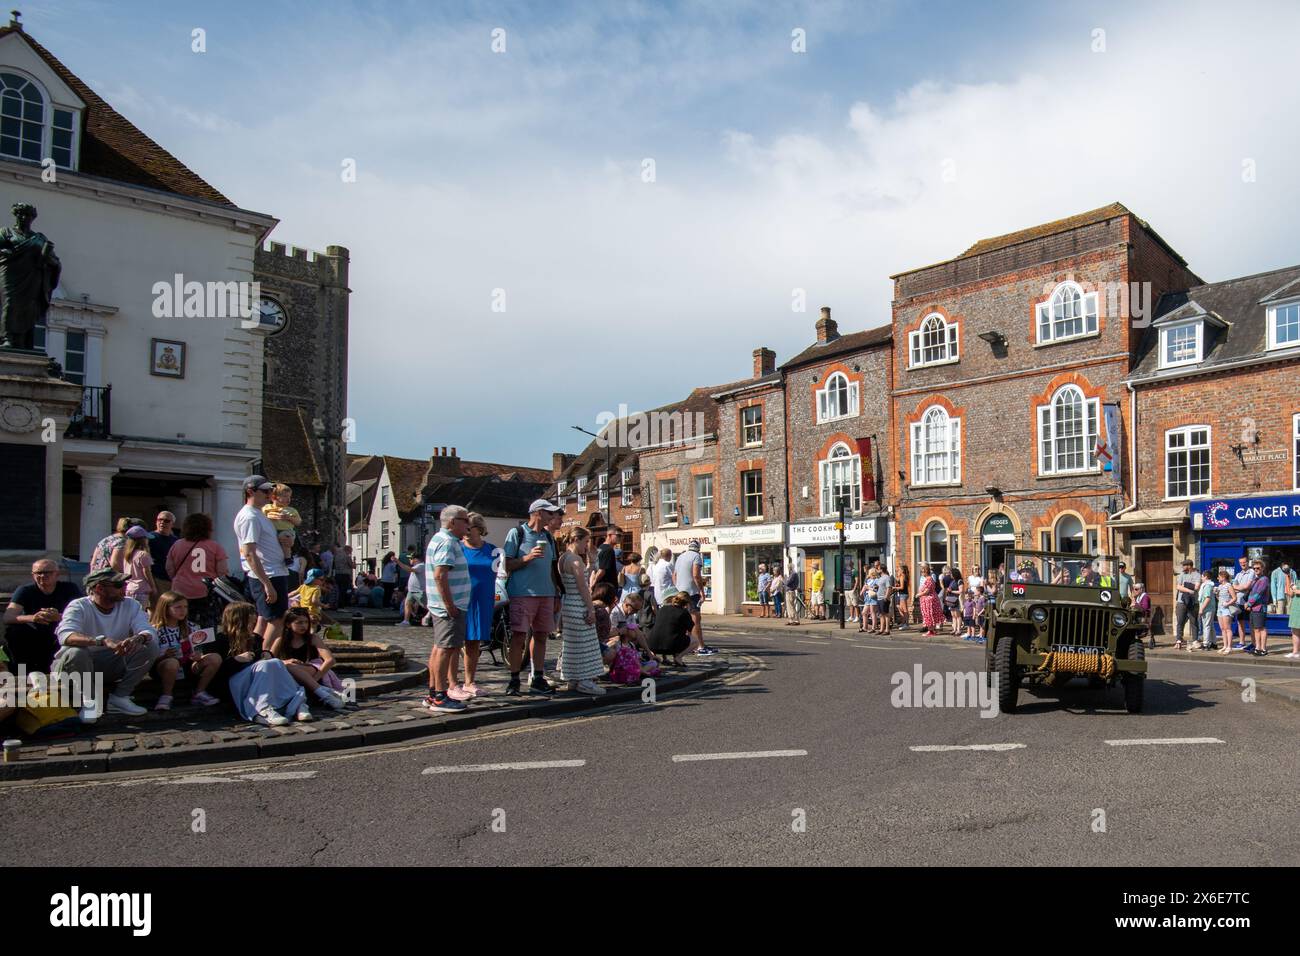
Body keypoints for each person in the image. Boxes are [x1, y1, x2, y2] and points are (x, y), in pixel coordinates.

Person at [52, 569, 160, 716]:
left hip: (109, 663)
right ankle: (89, 702)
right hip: (74, 669)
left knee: (150, 646)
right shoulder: (78, 606)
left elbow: (148, 630)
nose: (124, 588)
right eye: (118, 585)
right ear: (99, 588)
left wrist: (139, 638)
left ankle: (120, 698)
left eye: (125, 584)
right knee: (76, 652)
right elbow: (66, 636)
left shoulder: (131, 605)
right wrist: (102, 640)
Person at [501, 499, 563, 697]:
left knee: (541, 636)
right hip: (522, 592)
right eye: (549, 513)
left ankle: (537, 677)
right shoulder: (517, 533)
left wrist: (556, 594)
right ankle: (514, 679)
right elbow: (507, 565)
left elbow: (553, 569)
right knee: (519, 636)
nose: (553, 516)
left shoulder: (548, 537)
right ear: (537, 513)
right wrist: (528, 558)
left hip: (545, 593)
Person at [213, 602, 309, 725]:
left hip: (256, 679)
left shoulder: (255, 639)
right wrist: (235, 660)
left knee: (275, 662)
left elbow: (259, 657)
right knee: (267, 665)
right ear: (238, 622)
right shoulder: (221, 639)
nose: (252, 627)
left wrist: (266, 654)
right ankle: (261, 709)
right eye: (249, 623)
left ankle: (297, 703)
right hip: (236, 682)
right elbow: (219, 673)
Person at [233, 475, 290, 662]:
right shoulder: (249, 517)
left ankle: (257, 653)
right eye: (265, 491)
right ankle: (263, 656)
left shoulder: (259, 514)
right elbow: (249, 552)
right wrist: (267, 584)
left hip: (274, 571)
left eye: (270, 491)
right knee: (277, 619)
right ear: (250, 492)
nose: (270, 494)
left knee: (264, 618)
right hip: (268, 574)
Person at [424, 505, 473, 713]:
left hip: (444, 605)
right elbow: (440, 575)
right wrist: (450, 605)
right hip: (449, 607)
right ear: (452, 522)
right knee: (445, 649)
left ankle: (433, 692)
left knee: (439, 647)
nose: (468, 525)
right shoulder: (446, 542)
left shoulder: (442, 539)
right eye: (465, 520)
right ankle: (440, 697)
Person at [3, 558, 80, 675]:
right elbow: (8, 617)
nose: (43, 576)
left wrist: (59, 617)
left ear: (57, 574)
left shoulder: (70, 589)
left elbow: (83, 614)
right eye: (38, 573)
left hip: (61, 630)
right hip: (35, 631)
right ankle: (21, 675)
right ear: (33, 575)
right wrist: (33, 618)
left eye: (48, 572)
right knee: (14, 633)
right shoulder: (25, 591)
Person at [148, 591, 222, 710]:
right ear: (166, 608)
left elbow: (199, 649)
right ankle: (166, 695)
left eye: (185, 607)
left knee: (215, 658)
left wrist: (198, 656)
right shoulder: (154, 629)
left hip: (187, 665)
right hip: (164, 667)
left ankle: (199, 692)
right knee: (172, 663)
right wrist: (163, 655)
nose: (183, 610)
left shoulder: (192, 626)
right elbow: (148, 658)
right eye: (178, 607)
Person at [555, 527, 606, 695]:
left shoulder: (563, 558)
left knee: (572, 645)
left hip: (568, 604)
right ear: (577, 540)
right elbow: (583, 587)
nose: (587, 545)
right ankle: (585, 680)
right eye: (585, 542)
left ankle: (573, 679)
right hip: (579, 604)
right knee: (586, 643)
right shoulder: (575, 560)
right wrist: (591, 609)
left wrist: (592, 563)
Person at [271, 607, 348, 705]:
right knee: (288, 667)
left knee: (289, 667)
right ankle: (317, 695)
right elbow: (270, 660)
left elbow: (330, 660)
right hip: (289, 673)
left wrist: (313, 680)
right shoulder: (281, 640)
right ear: (288, 624)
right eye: (299, 623)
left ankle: (319, 691)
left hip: (311, 670)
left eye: (306, 622)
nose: (304, 626)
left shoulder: (312, 639)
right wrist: (284, 662)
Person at [165, 513, 229, 628]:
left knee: (182, 624)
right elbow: (222, 571)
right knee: (206, 626)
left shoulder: (177, 545)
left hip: (181, 591)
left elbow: (169, 568)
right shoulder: (215, 546)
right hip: (206, 592)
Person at [458, 511, 496, 696]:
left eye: (469, 526)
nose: (465, 530)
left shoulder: (493, 550)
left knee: (474, 642)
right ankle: (450, 683)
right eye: (464, 526)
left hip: (483, 600)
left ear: (479, 529)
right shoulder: (457, 548)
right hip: (462, 599)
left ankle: (469, 681)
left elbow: (501, 573)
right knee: (455, 643)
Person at [675, 540, 716, 654]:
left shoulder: (680, 557)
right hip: (692, 593)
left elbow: (674, 575)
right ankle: (700, 647)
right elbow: (696, 575)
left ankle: (689, 646)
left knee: (684, 621)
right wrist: (702, 591)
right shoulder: (697, 556)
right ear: (698, 548)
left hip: (679, 593)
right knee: (695, 620)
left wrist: (677, 588)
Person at [647, 591, 696, 666]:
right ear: (687, 603)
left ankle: (662, 658)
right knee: (695, 641)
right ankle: (678, 657)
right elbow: (690, 631)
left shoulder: (663, 608)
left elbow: (662, 627)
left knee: (666, 632)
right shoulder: (684, 612)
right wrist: (688, 611)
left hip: (652, 644)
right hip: (670, 646)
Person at [120, 525, 157, 609]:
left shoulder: (127, 555)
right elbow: (146, 572)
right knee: (139, 614)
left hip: (129, 588)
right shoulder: (143, 554)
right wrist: (153, 587)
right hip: (141, 590)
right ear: (142, 540)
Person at [1242, 559, 1271, 657]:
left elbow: (1258, 594)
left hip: (1260, 608)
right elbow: (1250, 593)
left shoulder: (1264, 579)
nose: (1256, 570)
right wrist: (1248, 603)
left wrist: (1248, 604)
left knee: (1261, 628)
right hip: (1254, 608)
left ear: (1262, 568)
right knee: (1256, 629)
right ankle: (1257, 648)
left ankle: (1263, 649)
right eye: (1254, 568)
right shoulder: (1255, 579)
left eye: (1258, 568)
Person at [148, 511, 178, 595]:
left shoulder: (175, 540)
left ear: (172, 524)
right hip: (156, 578)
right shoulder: (149, 538)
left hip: (172, 579)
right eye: (159, 520)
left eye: (166, 521)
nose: (162, 522)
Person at [1173, 559, 1200, 649]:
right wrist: (1189, 589)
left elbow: (1196, 587)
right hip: (1181, 602)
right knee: (1180, 621)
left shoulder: (1196, 575)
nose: (1182, 567)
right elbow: (1178, 586)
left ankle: (1195, 640)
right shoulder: (1181, 574)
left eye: (1184, 565)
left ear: (1189, 566)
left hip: (1193, 602)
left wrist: (1185, 585)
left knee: (1194, 621)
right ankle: (1179, 640)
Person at [397, 551, 427, 627]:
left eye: (411, 558)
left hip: (419, 591)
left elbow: (409, 569)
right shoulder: (416, 566)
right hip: (412, 591)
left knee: (426, 606)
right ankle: (406, 621)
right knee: (407, 604)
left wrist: (398, 561)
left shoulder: (421, 565)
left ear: (416, 559)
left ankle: (431, 617)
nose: (409, 560)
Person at [1231, 556, 1256, 649]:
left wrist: (1238, 587)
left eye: (1244, 562)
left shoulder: (1252, 572)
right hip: (1239, 602)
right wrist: (1240, 587)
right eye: (1241, 563)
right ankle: (1242, 642)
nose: (1242, 564)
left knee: (1251, 623)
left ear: (1247, 562)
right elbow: (1233, 586)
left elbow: (1247, 586)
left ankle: (1254, 643)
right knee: (1240, 622)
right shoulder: (1239, 574)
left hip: (1248, 602)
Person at [590, 525, 622, 594]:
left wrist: (592, 583)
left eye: (621, 536)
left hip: (600, 587)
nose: (620, 538)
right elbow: (602, 570)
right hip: (607, 588)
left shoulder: (600, 547)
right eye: (618, 535)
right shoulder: (609, 550)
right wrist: (592, 585)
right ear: (609, 535)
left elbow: (595, 569)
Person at [1215, 569, 1238, 656]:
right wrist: (1216, 594)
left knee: (1228, 628)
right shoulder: (1220, 586)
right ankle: (1224, 646)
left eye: (1219, 577)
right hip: (1219, 608)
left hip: (1226, 609)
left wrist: (1227, 603)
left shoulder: (1229, 585)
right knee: (1222, 629)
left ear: (1223, 577)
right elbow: (1219, 598)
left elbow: (1234, 598)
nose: (1218, 578)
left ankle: (1229, 646)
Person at [918, 562, 943, 637]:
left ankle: (931, 631)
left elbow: (927, 591)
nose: (921, 573)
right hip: (927, 599)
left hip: (929, 600)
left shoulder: (929, 579)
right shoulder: (927, 579)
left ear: (926, 571)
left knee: (929, 615)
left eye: (922, 571)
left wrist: (919, 594)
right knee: (929, 615)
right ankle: (932, 630)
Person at [1195, 569, 1217, 651]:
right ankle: (1214, 643)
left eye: (1202, 576)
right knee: (1210, 626)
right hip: (1209, 608)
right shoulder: (1207, 585)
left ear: (1206, 577)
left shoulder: (1207, 586)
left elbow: (1207, 598)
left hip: (1207, 609)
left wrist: (1201, 609)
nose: (1201, 578)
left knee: (1206, 626)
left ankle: (1206, 644)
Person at [875, 564, 894, 636]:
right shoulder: (880, 578)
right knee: (881, 615)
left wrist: (886, 596)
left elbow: (889, 587)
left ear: (882, 570)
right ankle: (881, 629)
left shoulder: (887, 577)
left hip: (884, 598)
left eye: (878, 569)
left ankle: (887, 630)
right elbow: (878, 586)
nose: (877, 570)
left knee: (886, 614)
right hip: (879, 597)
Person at [1285, 573, 1300, 659]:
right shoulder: (1296, 581)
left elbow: (1296, 592)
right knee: (1294, 630)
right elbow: (1290, 594)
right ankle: (1295, 651)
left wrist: (1297, 591)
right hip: (1295, 607)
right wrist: (1287, 578)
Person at [895, 564, 911, 628]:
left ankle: (906, 624)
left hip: (903, 594)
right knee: (900, 608)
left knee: (904, 610)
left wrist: (894, 587)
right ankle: (903, 622)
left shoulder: (902, 576)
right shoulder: (903, 576)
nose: (899, 570)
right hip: (903, 594)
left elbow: (901, 587)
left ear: (902, 570)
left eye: (900, 569)